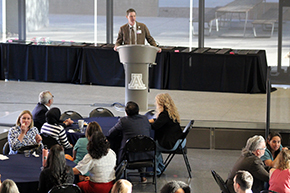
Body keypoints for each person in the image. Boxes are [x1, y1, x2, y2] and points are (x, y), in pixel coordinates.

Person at [108, 101, 151, 183]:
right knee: (141, 145)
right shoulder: (145, 119)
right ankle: (143, 177)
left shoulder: (123, 121)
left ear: (126, 112)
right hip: (146, 154)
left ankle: (118, 175)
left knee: (121, 146)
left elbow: (111, 133)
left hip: (128, 155)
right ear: (138, 111)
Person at [149, 93, 183, 175]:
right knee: (156, 143)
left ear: (160, 104)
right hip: (179, 140)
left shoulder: (164, 115)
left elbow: (154, 126)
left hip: (171, 143)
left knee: (152, 145)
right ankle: (160, 166)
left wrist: (147, 122)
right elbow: (159, 121)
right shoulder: (170, 113)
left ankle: (156, 170)